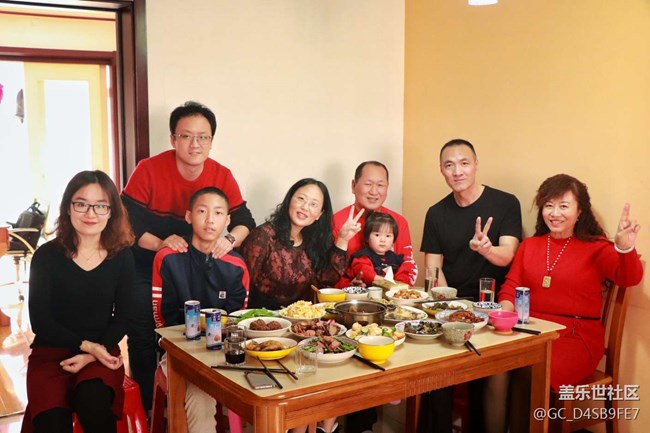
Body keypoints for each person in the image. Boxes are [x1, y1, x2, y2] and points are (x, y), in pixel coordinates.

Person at [121, 101, 256, 409]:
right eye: (186, 136)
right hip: (146, 265)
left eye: (203, 137)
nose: (195, 144)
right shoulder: (148, 169)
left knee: (200, 328)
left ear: (211, 141)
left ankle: (197, 396)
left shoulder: (222, 174)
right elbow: (125, 220)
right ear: (173, 139)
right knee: (143, 332)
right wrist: (160, 244)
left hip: (194, 267)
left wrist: (230, 239)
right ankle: (149, 408)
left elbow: (244, 220)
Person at [498, 174, 642, 415]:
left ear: (579, 211)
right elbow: (510, 287)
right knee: (493, 366)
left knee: (528, 369)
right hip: (530, 332)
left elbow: (629, 278)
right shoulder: (530, 245)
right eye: (549, 206)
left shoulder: (597, 247)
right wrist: (503, 317)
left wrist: (625, 249)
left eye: (564, 206)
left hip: (576, 339)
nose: (555, 213)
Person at [241, 178, 362, 433]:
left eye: (314, 204)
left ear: (320, 214)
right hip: (264, 329)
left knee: (324, 375)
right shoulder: (263, 236)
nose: (305, 207)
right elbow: (243, 286)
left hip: (301, 329)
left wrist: (342, 239)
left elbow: (326, 279)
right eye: (301, 199)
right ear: (290, 200)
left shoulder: (311, 240)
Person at [419, 138, 522, 433]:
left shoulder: (506, 203)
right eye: (449, 165)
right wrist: (451, 307)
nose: (457, 171)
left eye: (464, 163)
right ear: (441, 170)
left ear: (476, 165)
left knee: (487, 377)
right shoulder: (436, 213)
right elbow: (433, 270)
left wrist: (486, 249)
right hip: (452, 307)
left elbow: (508, 255)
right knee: (435, 372)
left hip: (495, 308)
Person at [22, 170, 135, 433]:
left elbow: (124, 316)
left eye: (100, 206)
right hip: (51, 354)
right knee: (52, 423)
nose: (90, 214)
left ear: (111, 212)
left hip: (101, 352)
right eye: (81, 204)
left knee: (93, 403)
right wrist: (87, 346)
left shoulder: (121, 256)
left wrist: (92, 354)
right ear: (68, 208)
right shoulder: (46, 256)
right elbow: (41, 321)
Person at [152, 187, 249, 433]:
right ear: (188, 216)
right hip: (177, 351)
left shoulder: (236, 266)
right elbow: (162, 320)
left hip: (221, 353)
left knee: (206, 390)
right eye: (202, 211)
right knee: (200, 392)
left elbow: (236, 320)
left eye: (218, 213)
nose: (210, 220)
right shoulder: (168, 258)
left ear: (227, 221)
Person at [333, 161, 417, 286]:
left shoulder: (398, 221)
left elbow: (407, 264)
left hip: (391, 294)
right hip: (349, 295)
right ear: (353, 186)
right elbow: (327, 274)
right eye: (368, 184)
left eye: (380, 185)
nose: (374, 191)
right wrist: (349, 286)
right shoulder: (336, 221)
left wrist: (395, 289)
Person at [338, 212, 411, 287]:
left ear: (393, 239)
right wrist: (382, 280)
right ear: (367, 238)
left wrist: (399, 284)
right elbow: (364, 271)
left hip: (391, 292)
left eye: (388, 236)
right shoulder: (362, 256)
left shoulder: (395, 258)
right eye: (377, 235)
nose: (383, 240)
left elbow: (403, 274)